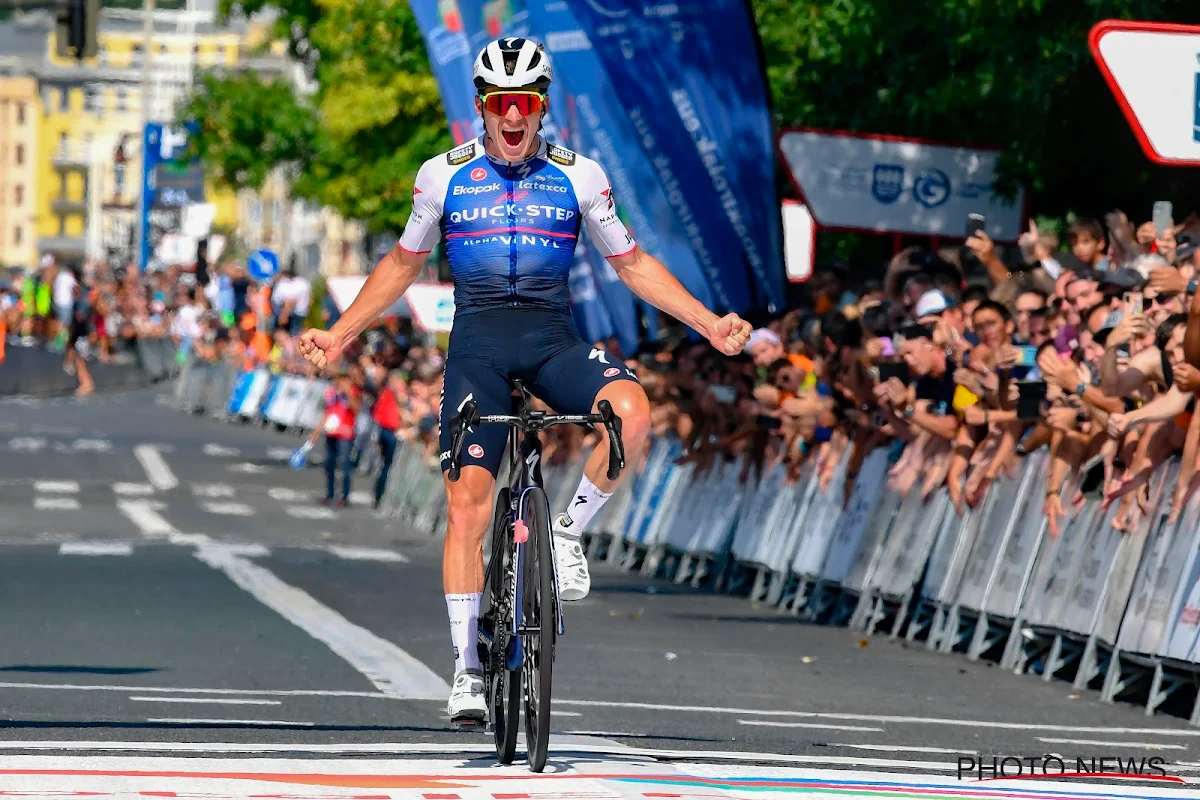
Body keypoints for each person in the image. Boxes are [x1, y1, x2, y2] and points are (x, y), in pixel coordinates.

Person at [296, 37, 751, 726]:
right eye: (501, 104)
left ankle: (567, 532)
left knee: (630, 410)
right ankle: (466, 672)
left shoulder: (580, 176)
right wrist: (340, 333)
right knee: (467, 506)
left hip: (551, 343)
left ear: (541, 109)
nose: (514, 116)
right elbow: (400, 263)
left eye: (526, 104)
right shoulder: (442, 176)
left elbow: (632, 264)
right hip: (478, 346)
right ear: (482, 108)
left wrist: (709, 322)